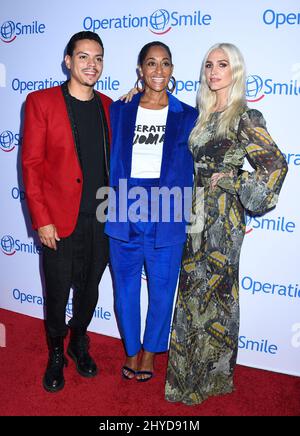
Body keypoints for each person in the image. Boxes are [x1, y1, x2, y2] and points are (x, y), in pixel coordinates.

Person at [165, 43, 288, 405]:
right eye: (208, 65)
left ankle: (210, 379)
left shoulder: (244, 117)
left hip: (224, 218)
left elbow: (276, 165)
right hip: (197, 211)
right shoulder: (204, 116)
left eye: (222, 64)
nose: (213, 71)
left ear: (235, 70)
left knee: (216, 296)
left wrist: (234, 181)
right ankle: (187, 379)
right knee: (191, 292)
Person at [22, 31, 112, 392]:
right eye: (84, 57)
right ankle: (56, 352)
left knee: (89, 292)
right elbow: (31, 164)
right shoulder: (40, 102)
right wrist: (41, 219)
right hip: (58, 221)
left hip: (102, 221)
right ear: (68, 60)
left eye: (98, 58)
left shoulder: (109, 106)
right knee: (57, 293)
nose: (92, 64)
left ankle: (79, 340)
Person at [105, 41, 198, 381]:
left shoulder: (189, 115)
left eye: (165, 63)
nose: (158, 71)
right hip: (123, 207)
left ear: (172, 70)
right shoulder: (120, 110)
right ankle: (131, 348)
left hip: (168, 210)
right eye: (151, 63)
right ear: (140, 70)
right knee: (125, 288)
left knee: (162, 289)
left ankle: (150, 350)